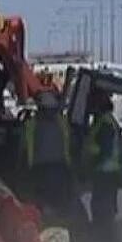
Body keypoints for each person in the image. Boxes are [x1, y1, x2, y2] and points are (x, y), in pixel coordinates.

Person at [21, 90, 78, 224]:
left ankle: (51, 223)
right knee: (54, 202)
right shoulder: (61, 122)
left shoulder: (33, 124)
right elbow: (69, 142)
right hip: (54, 168)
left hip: (45, 168)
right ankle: (54, 223)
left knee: (48, 202)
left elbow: (25, 147)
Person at [83, 89, 122, 227]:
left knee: (101, 206)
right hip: (107, 170)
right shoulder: (105, 120)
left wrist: (91, 160)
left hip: (105, 170)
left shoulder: (105, 122)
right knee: (104, 205)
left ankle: (104, 237)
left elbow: (104, 149)